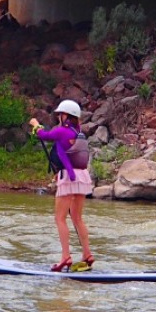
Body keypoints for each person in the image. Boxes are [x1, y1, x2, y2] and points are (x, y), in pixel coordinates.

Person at [29, 100, 94, 272]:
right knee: (77, 218)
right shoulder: (78, 132)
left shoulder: (61, 131)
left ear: (66, 115)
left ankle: (65, 256)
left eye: (60, 114)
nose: (58, 116)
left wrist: (35, 124)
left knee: (60, 218)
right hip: (82, 176)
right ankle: (87, 254)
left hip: (68, 177)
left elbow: (43, 135)